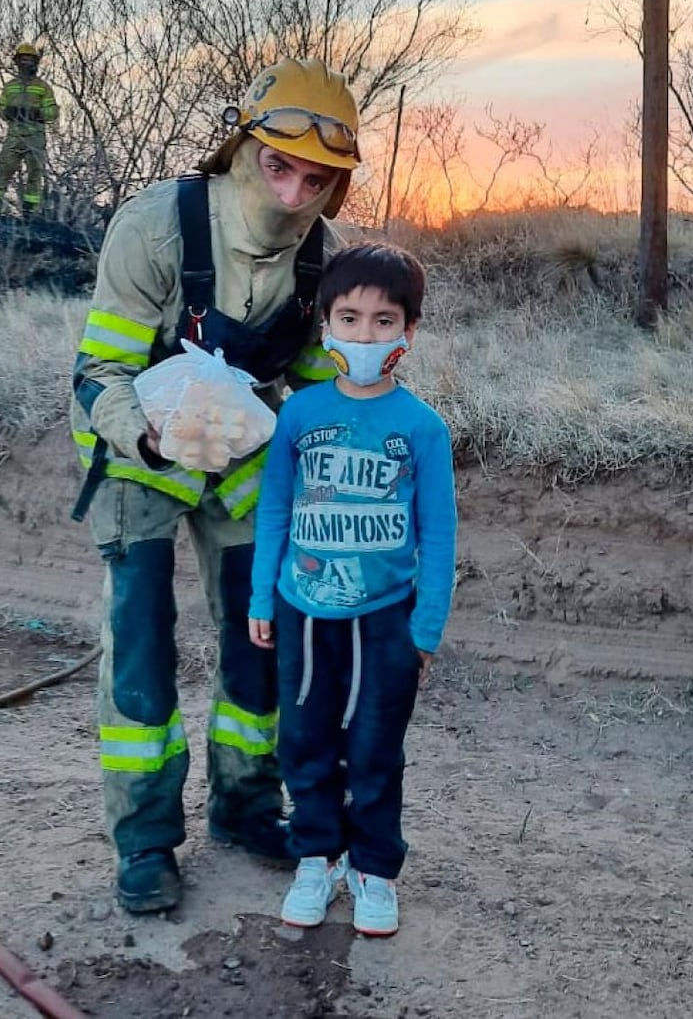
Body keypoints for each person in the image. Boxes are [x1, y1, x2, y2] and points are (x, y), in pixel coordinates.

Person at [70, 57, 361, 914]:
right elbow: (99, 370)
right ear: (242, 148)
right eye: (279, 166)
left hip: (242, 463)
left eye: (317, 179)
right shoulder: (155, 227)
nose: (292, 192)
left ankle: (242, 806)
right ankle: (146, 839)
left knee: (259, 638)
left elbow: (313, 389)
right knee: (140, 648)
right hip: (139, 453)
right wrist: (152, 432)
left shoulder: (325, 261)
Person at [249, 242, 457, 937]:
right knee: (303, 740)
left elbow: (438, 535)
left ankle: (373, 868)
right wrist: (260, 598)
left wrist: (425, 628)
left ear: (407, 332)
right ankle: (317, 855)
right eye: (349, 317)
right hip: (303, 611)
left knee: (373, 748)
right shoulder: (299, 416)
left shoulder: (422, 429)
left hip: (385, 618)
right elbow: (274, 509)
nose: (363, 335)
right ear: (325, 324)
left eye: (382, 321)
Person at [0, 42, 59, 219]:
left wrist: (36, 113)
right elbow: (0, 105)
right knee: (3, 170)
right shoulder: (10, 86)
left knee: (35, 174)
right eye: (23, 59)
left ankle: (30, 213)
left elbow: (53, 112)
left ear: (35, 62)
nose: (26, 63)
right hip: (14, 135)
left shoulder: (43, 87)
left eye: (29, 59)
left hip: (35, 136)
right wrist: (7, 112)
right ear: (17, 62)